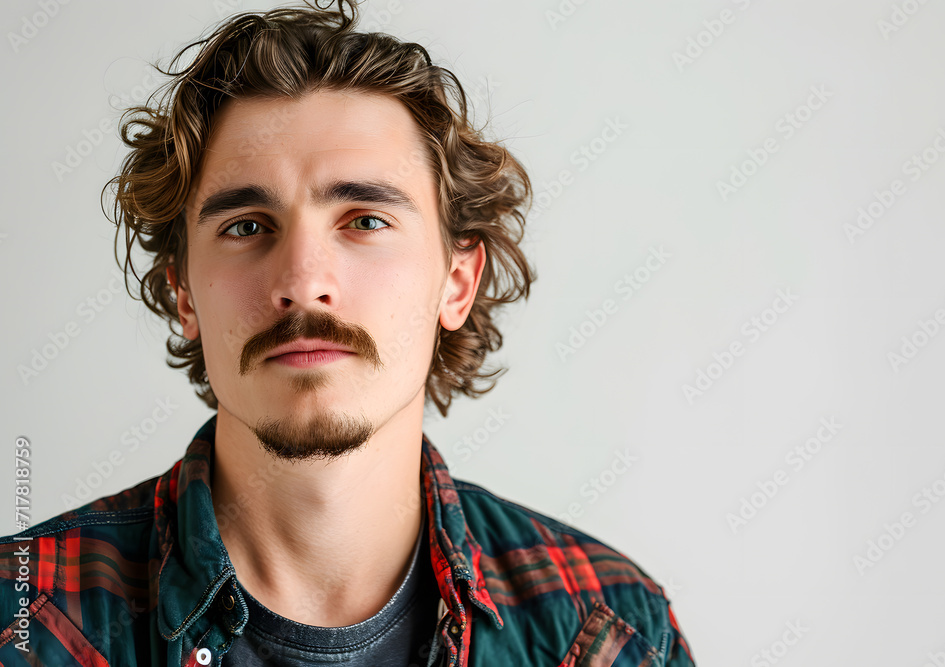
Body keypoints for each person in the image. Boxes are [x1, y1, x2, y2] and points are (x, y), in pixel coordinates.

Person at [0, 1, 694, 665]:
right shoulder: (21, 619)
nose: (302, 280)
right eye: (246, 227)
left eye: (364, 220)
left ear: (456, 281)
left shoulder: (612, 630)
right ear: (183, 290)